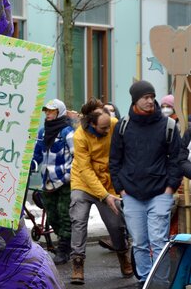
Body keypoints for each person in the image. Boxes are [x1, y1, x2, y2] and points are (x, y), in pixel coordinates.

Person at [109, 80, 183, 285]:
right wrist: (121, 190)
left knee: (159, 242)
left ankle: (159, 284)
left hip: (160, 193)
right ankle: (145, 281)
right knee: (140, 243)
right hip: (131, 194)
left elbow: (176, 160)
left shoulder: (167, 126)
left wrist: (169, 189)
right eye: (145, 98)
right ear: (135, 100)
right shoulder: (123, 126)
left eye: (152, 97)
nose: (151, 101)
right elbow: (114, 160)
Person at [69, 98, 132, 285]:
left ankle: (122, 255)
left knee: (115, 224)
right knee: (78, 219)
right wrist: (104, 196)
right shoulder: (79, 136)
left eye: (108, 126)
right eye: (103, 128)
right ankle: (77, 262)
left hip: (109, 182)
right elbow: (85, 170)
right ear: (92, 123)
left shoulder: (113, 124)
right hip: (83, 182)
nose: (107, 130)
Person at [32, 98, 75, 264]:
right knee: (52, 215)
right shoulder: (43, 132)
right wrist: (30, 167)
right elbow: (36, 155)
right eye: (47, 111)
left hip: (65, 182)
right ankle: (66, 243)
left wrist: (68, 176)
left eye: (52, 111)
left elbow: (77, 157)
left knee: (65, 215)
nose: (48, 114)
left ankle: (64, 249)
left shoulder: (67, 132)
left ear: (60, 112)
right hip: (47, 182)